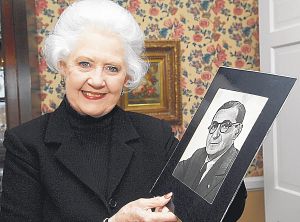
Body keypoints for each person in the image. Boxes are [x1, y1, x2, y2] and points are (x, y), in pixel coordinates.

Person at [0, 1, 246, 221]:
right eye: (85, 64)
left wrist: (234, 150)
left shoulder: (156, 135)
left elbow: (218, 210)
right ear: (63, 66)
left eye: (112, 68)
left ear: (127, 76)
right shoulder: (26, 144)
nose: (97, 80)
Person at [173, 100, 246, 204]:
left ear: (237, 131)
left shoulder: (235, 166)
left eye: (225, 126)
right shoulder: (199, 154)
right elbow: (171, 173)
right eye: (214, 125)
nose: (215, 135)